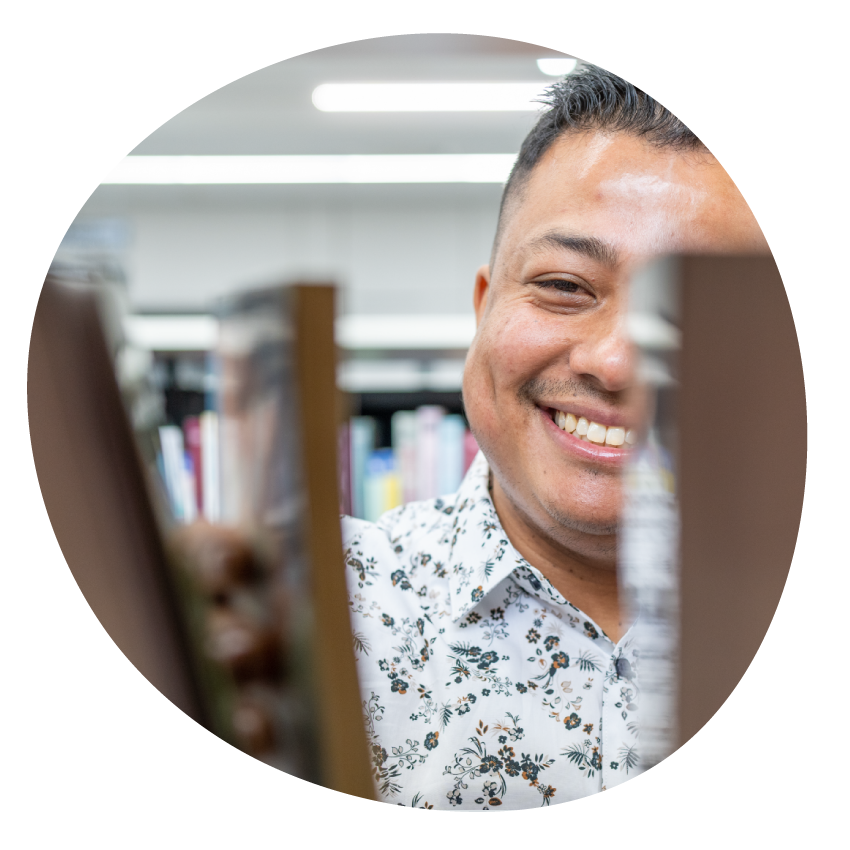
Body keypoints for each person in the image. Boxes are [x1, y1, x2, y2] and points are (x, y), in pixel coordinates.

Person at [180, 64, 769, 807]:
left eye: (691, 309)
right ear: (484, 308)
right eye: (565, 286)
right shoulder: (314, 613)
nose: (617, 362)